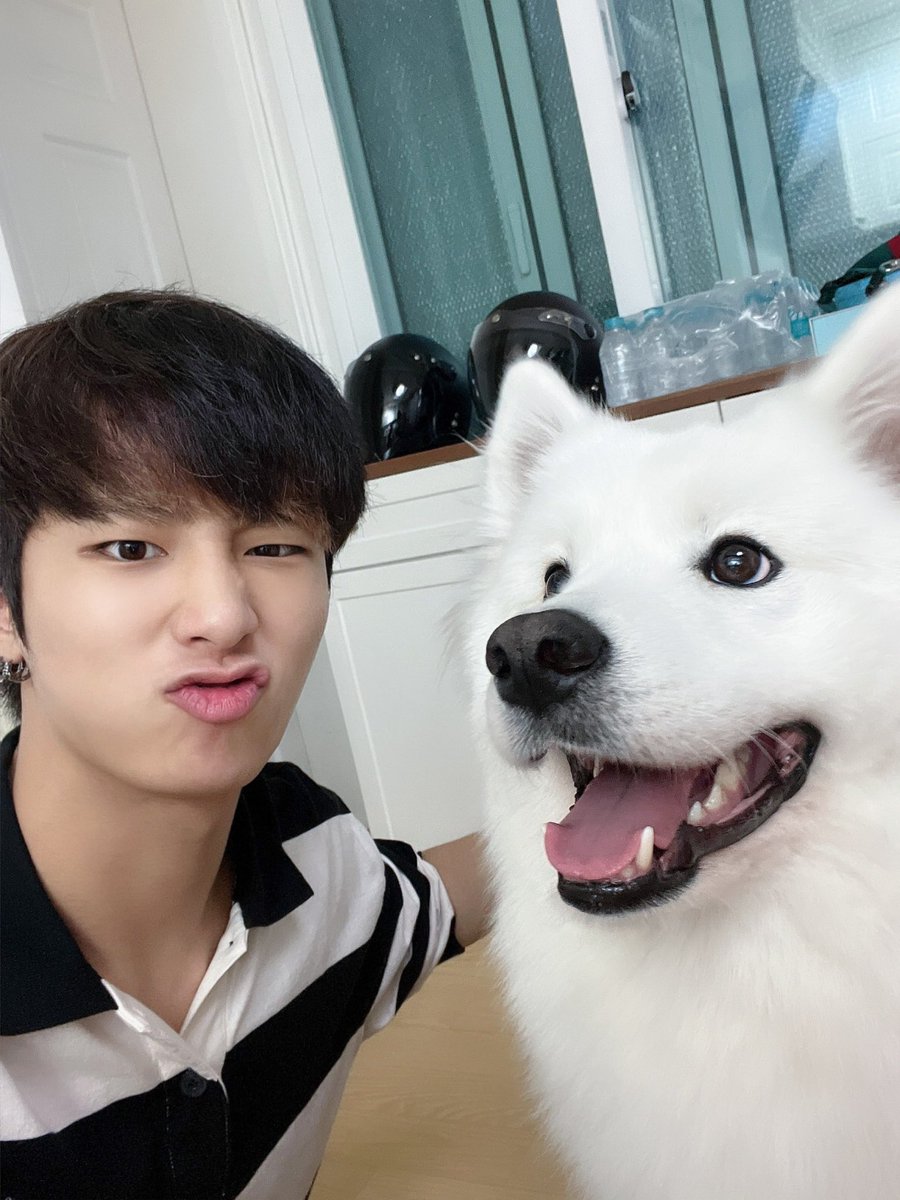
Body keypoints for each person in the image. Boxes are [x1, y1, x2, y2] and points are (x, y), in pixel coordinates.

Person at [0, 290, 489, 1199]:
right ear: (5, 612)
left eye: (274, 547)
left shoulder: (317, 860)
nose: (224, 616)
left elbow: (436, 901)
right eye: (131, 547)